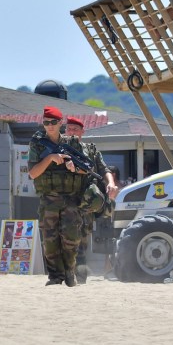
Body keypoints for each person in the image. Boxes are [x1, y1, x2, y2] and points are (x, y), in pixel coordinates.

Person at [27, 106, 86, 287]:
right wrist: (50, 158)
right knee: (50, 241)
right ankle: (55, 276)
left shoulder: (72, 143)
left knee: (71, 239)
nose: (50, 126)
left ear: (61, 123)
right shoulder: (37, 144)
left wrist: (73, 167)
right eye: (46, 123)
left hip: (70, 199)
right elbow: (33, 173)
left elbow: (86, 169)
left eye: (53, 122)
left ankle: (70, 271)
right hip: (49, 199)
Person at [64, 115, 119, 284]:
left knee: (81, 243)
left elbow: (104, 169)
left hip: (85, 203)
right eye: (69, 128)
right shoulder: (59, 149)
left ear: (82, 132)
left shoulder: (91, 149)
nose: (72, 132)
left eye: (76, 129)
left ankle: (80, 279)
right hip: (64, 201)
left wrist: (111, 184)